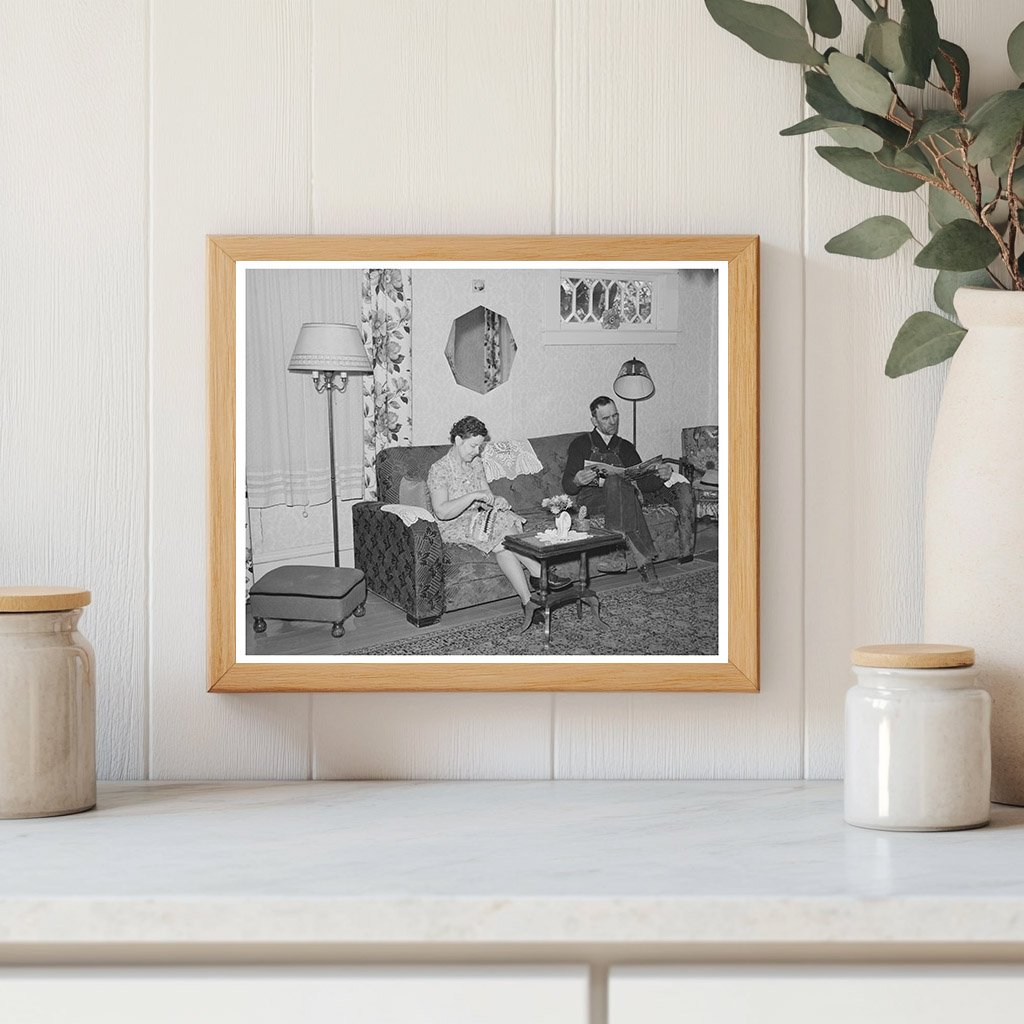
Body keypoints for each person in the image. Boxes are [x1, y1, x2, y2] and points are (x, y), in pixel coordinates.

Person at [428, 416, 570, 610]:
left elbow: (486, 498)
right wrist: (473, 496)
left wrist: (495, 501)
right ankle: (539, 572)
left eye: (480, 446)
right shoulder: (439, 470)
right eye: (473, 446)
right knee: (502, 526)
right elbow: (442, 512)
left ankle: (528, 602)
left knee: (502, 545)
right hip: (452, 525)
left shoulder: (475, 463)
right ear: (458, 440)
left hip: (477, 518)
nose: (477, 451)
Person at [562, 396, 696, 593]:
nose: (613, 421)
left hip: (623, 498)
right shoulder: (580, 444)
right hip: (592, 500)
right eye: (606, 418)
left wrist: (660, 475)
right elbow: (568, 486)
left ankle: (617, 554)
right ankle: (647, 569)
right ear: (594, 421)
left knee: (622, 488)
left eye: (615, 415)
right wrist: (577, 480)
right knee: (623, 491)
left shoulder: (625, 446)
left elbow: (644, 483)